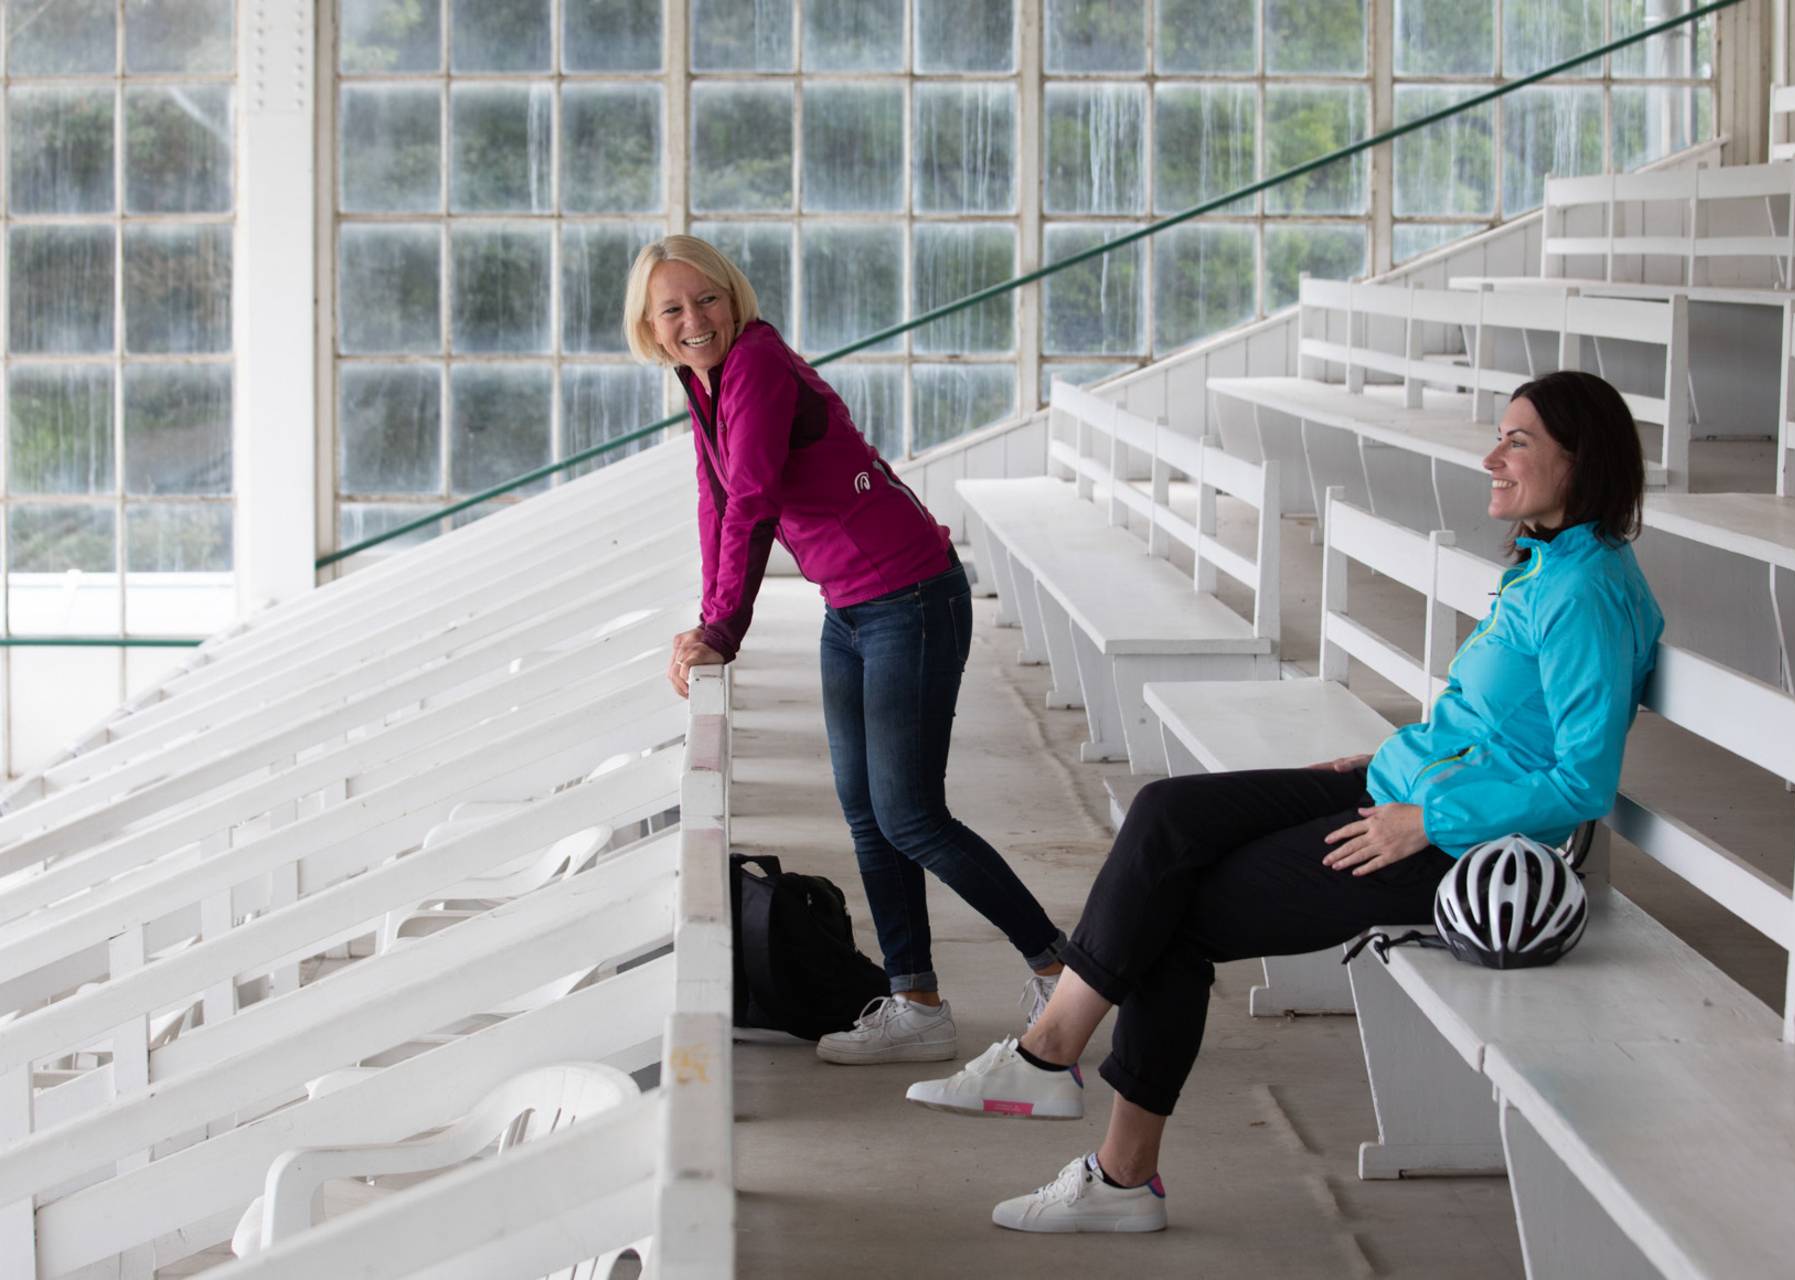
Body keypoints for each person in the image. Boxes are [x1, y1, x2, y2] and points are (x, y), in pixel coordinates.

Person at [904, 369, 1665, 1233]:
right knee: (1166, 814)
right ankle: (1053, 1069)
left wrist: (1428, 818)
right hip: (1407, 785)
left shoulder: (1586, 595)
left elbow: (1580, 786)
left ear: (1582, 459)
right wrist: (1401, 758)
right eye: (1498, 434)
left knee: (1170, 917)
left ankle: (1101, 1149)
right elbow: (1502, 723)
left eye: (1517, 441)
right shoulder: (1554, 563)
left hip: (1452, 845)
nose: (1491, 456)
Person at [624, 235, 1068, 1065]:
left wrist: (725, 629)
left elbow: (752, 501)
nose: (695, 319)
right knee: (868, 816)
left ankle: (1062, 967)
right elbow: (714, 499)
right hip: (850, 607)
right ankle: (917, 1002)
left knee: (910, 815)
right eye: (673, 309)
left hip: (910, 596)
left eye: (707, 298)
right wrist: (706, 617)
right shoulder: (702, 378)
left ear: (734, 295)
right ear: (650, 328)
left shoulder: (753, 362)